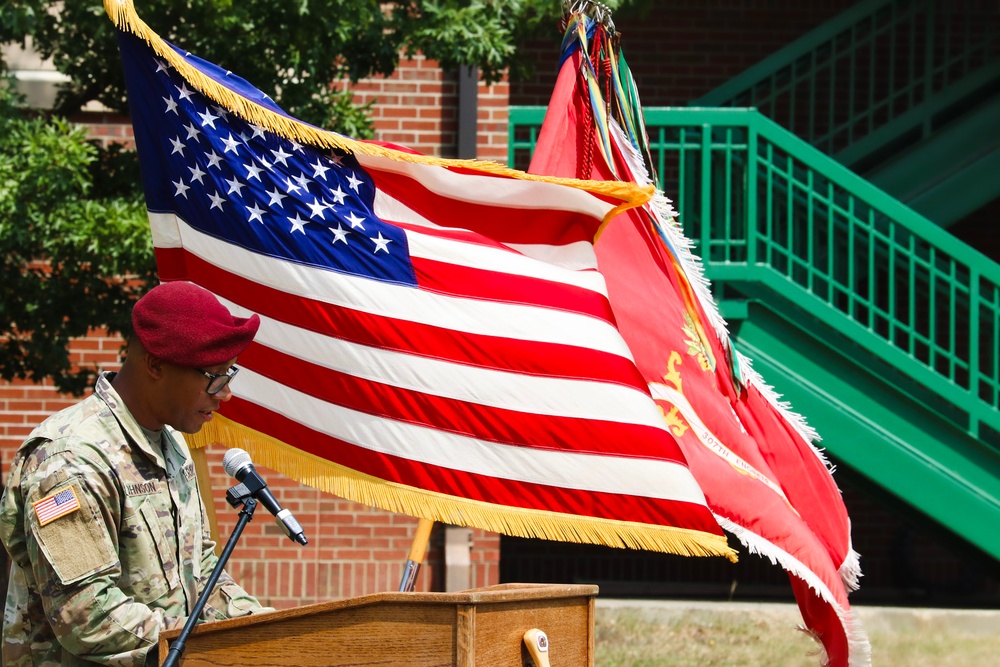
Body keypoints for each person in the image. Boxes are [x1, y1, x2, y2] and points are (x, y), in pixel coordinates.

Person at [0, 281, 272, 667]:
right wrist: (214, 650)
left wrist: (265, 631)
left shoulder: (170, 440)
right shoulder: (70, 459)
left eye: (228, 374)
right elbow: (86, 614)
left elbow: (201, 570)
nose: (224, 394)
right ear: (156, 365)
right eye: (213, 377)